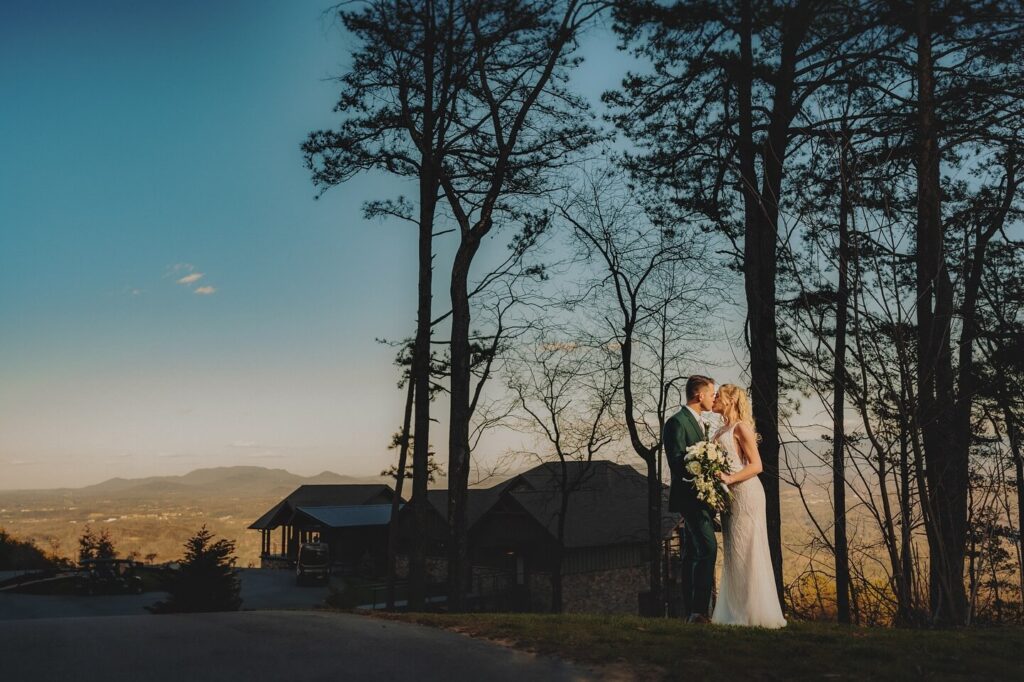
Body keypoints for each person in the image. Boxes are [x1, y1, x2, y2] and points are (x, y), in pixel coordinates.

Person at [710, 384, 787, 628]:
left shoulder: (741, 427)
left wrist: (729, 478)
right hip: (728, 496)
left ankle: (753, 612)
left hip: (746, 493)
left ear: (731, 400)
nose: (714, 399)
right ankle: (734, 610)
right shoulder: (719, 430)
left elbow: (756, 465)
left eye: (718, 395)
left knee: (748, 548)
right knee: (733, 550)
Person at [663, 375, 717, 623]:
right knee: (708, 548)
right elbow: (676, 461)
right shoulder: (676, 423)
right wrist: (704, 472)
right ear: (699, 395)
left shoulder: (700, 423)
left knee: (694, 552)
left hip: (702, 498)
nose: (714, 398)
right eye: (712, 393)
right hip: (689, 497)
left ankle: (691, 611)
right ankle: (698, 611)